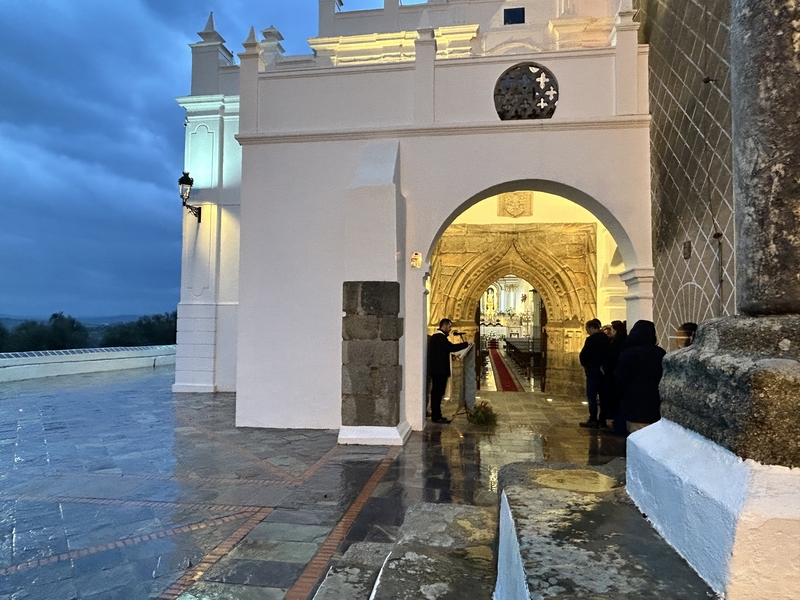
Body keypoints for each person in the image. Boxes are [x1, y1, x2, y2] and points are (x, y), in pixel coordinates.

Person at [614, 320, 666, 433]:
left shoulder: (628, 354)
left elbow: (619, 378)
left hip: (633, 402)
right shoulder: (660, 353)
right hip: (654, 403)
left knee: (635, 435)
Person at [427, 318, 470, 424]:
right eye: (449, 326)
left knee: (438, 393)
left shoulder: (437, 337)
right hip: (439, 371)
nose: (450, 329)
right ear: (444, 326)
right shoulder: (439, 337)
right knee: (437, 393)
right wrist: (466, 344)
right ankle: (436, 416)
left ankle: (437, 415)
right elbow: (450, 347)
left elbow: (441, 352)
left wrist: (451, 358)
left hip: (438, 370)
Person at [579, 318, 610, 428]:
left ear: (592, 328)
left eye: (587, 329)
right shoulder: (607, 339)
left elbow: (584, 355)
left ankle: (593, 418)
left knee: (591, 395)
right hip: (603, 372)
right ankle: (602, 420)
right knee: (603, 396)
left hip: (592, 371)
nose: (587, 331)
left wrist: (585, 364)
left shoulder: (591, 340)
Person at [602, 320, 628, 435]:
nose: (610, 331)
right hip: (618, 377)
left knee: (615, 402)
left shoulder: (616, 344)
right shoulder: (624, 342)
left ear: (616, 330)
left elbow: (611, 359)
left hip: (613, 377)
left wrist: (605, 368)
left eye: (612, 329)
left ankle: (618, 426)